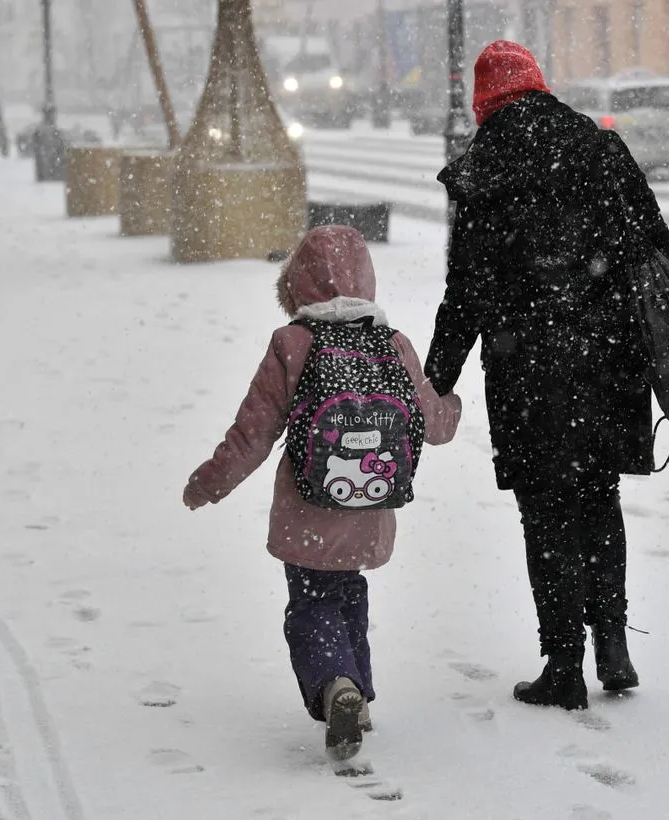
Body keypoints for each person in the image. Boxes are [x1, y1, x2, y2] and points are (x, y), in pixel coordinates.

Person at [424, 41, 669, 711]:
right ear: (538, 84)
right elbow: (653, 245)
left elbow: (467, 290)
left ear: (484, 101)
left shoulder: (487, 166)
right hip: (608, 358)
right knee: (598, 495)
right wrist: (600, 294)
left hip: (527, 366)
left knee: (546, 509)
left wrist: (436, 378)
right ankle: (613, 644)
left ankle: (564, 663)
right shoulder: (599, 148)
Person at [182, 226, 462, 759]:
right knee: (349, 592)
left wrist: (208, 483)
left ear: (296, 285)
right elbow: (435, 424)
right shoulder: (392, 343)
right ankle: (357, 692)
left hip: (308, 506)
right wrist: (454, 406)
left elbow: (253, 435)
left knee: (311, 602)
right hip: (371, 503)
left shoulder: (292, 343)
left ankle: (337, 684)